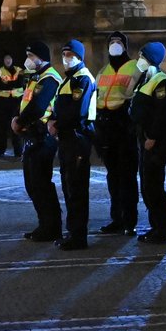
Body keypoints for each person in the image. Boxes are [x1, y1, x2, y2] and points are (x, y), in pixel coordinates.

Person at [13, 40, 63, 243]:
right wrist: (18, 118)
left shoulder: (49, 78)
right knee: (33, 185)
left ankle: (51, 227)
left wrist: (19, 122)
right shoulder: (36, 78)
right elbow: (26, 103)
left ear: (41, 58)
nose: (28, 60)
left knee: (41, 184)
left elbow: (38, 107)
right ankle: (44, 224)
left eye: (31, 56)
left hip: (43, 137)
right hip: (32, 135)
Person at [50, 39, 98, 251]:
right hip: (67, 138)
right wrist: (52, 120)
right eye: (64, 54)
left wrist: (57, 124)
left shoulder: (82, 79)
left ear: (79, 56)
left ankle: (79, 236)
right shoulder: (69, 79)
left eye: (70, 54)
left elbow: (77, 112)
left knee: (77, 189)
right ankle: (72, 232)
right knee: (69, 187)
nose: (66, 58)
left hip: (77, 138)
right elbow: (59, 107)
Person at [92, 30, 141, 236]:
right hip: (106, 128)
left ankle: (129, 220)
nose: (114, 45)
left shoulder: (134, 68)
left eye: (118, 42)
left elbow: (136, 99)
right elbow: (97, 98)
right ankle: (117, 218)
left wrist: (130, 125)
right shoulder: (103, 71)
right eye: (111, 41)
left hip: (124, 127)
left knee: (127, 177)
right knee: (113, 177)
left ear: (125, 45)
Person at [131, 41, 166, 243]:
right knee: (147, 187)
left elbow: (161, 113)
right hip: (144, 138)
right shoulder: (145, 79)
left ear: (151, 59)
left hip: (155, 141)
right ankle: (155, 227)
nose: (139, 60)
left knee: (154, 187)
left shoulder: (161, 81)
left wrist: (152, 137)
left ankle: (165, 229)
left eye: (142, 57)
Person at [0, 52, 24, 157]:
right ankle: (1, 149)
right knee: (2, 127)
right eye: (6, 58)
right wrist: (11, 86)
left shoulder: (19, 70)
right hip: (2, 102)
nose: (8, 60)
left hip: (15, 102)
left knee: (16, 125)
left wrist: (7, 85)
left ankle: (18, 150)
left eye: (9, 58)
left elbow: (20, 84)